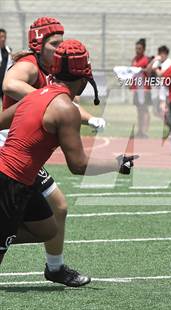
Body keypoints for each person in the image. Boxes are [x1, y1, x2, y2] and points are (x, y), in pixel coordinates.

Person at [0, 39, 138, 267]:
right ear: (84, 81)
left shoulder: (35, 95)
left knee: (47, 228)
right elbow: (78, 165)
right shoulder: (66, 109)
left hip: (21, 180)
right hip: (10, 183)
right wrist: (117, 164)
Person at [1, 16, 105, 286]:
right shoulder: (29, 64)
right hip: (10, 155)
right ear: (38, 44)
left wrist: (89, 118)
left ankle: (54, 268)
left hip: (21, 158)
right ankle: (52, 266)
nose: (59, 48)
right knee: (56, 207)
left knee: (55, 213)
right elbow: (9, 84)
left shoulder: (53, 81)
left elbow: (62, 107)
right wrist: (42, 95)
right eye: (54, 43)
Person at [131, 38, 152, 138]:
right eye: (136, 48)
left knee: (145, 110)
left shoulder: (146, 60)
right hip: (136, 89)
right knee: (139, 110)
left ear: (143, 49)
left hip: (144, 88)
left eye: (139, 48)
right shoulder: (134, 59)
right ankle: (140, 130)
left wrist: (143, 70)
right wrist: (131, 84)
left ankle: (145, 131)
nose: (137, 50)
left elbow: (149, 72)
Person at [146, 45, 171, 117]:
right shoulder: (157, 62)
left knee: (165, 109)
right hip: (156, 88)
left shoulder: (170, 62)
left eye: (163, 53)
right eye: (160, 53)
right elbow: (148, 70)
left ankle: (168, 124)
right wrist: (153, 61)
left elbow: (161, 74)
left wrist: (155, 69)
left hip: (166, 89)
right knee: (155, 111)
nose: (161, 55)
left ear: (166, 54)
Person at [0, 28, 12, 101]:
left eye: (4, 37)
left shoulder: (8, 50)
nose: (3, 39)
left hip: (4, 81)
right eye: (1, 37)